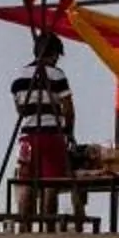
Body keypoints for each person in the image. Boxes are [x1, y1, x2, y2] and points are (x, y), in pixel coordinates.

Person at [12, 35, 81, 226]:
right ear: (54, 54)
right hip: (52, 134)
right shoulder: (57, 75)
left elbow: (20, 108)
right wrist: (69, 132)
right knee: (51, 183)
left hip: (28, 135)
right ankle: (48, 226)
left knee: (26, 181)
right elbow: (68, 109)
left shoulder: (20, 75)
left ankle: (25, 226)